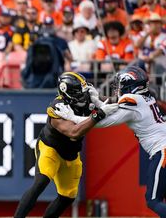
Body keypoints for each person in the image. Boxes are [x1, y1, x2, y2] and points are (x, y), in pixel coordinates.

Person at [54, 66, 166, 217]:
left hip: (162, 150)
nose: (118, 88)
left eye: (120, 85)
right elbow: (113, 110)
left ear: (130, 86)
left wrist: (72, 117)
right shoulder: (146, 97)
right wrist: (98, 101)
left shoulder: (133, 102)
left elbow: (102, 121)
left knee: (153, 200)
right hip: (161, 148)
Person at [14, 72, 117, 217]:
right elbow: (74, 132)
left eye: (84, 90)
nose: (83, 95)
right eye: (78, 92)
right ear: (66, 92)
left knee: (67, 197)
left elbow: (111, 103)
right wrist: (97, 114)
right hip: (51, 149)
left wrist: (123, 99)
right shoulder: (58, 108)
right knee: (41, 182)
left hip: (71, 154)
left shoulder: (86, 96)